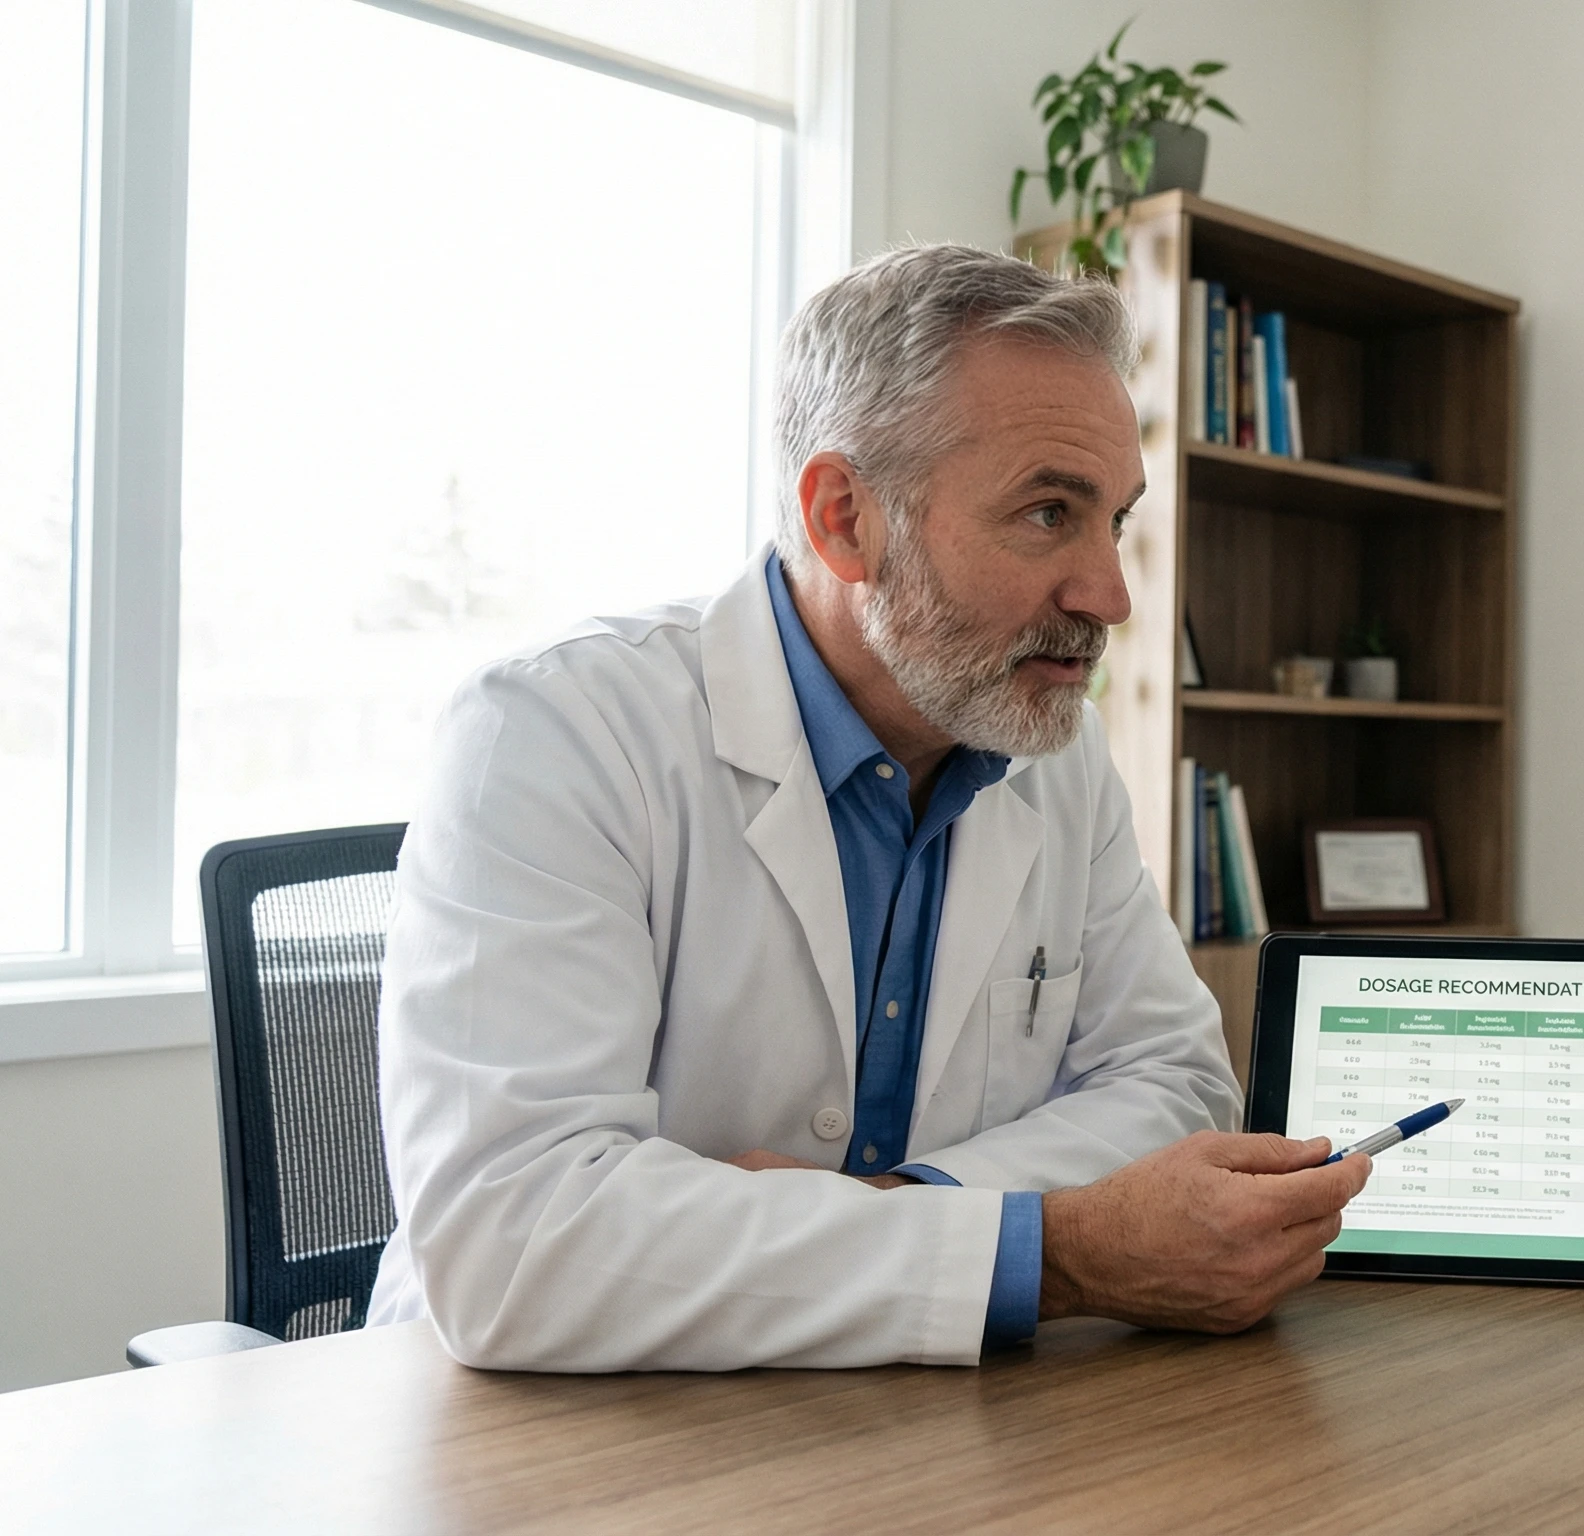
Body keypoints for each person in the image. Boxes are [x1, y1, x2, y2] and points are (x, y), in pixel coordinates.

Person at [367, 245, 1369, 1371]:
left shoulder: (1052, 751)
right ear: (846, 518)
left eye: (1115, 522)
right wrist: (1056, 1253)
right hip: (529, 1437)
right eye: (1049, 513)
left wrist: (909, 1206)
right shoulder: (554, 733)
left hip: (893, 1421)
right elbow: (516, 1241)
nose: (1111, 594)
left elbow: (1178, 1091)